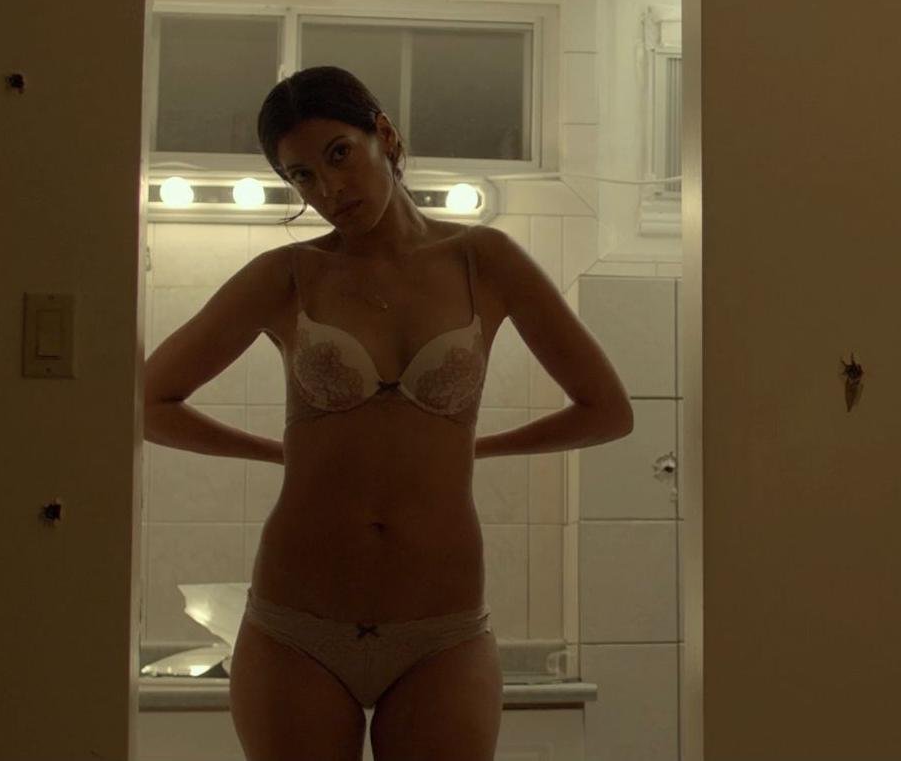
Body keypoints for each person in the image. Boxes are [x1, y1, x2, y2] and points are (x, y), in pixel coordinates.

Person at [141, 66, 634, 761]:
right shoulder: (287, 275)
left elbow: (607, 410)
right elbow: (146, 403)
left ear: (385, 136)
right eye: (302, 176)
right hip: (296, 626)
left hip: (442, 630)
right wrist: (279, 451)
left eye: (339, 154)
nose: (328, 189)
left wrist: (473, 446)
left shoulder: (483, 260)